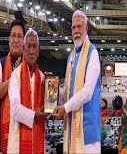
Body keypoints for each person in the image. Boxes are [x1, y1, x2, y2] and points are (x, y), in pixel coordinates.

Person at [52, 10, 101, 153]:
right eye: (74, 27)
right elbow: (68, 94)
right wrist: (52, 88)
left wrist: (65, 108)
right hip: (71, 128)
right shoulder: (71, 56)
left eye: (79, 26)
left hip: (88, 131)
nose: (76, 31)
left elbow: (87, 93)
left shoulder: (92, 53)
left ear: (86, 28)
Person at [7, 29, 47, 153]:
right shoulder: (15, 76)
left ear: (38, 50)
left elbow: (47, 108)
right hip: (18, 144)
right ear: (23, 49)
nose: (31, 51)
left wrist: (52, 89)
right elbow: (15, 110)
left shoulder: (42, 78)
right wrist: (34, 115)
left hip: (38, 141)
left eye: (34, 46)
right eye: (28, 46)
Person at [0, 20, 25, 153]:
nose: (16, 40)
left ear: (24, 41)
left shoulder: (31, 66)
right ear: (9, 39)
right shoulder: (1, 64)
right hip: (6, 131)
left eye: (19, 36)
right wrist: (15, 76)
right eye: (13, 36)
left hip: (25, 129)